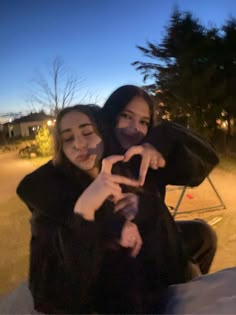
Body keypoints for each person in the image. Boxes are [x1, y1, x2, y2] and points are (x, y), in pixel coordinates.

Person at [17, 105, 192, 314]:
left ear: (103, 132)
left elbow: (198, 165)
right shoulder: (51, 192)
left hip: (145, 286)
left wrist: (159, 142)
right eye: (68, 139)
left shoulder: (120, 167)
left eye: (87, 132)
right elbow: (66, 290)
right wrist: (86, 210)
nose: (79, 144)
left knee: (200, 235)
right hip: (86, 298)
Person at [101, 84, 219, 275]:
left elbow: (207, 159)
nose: (134, 128)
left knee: (203, 234)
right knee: (188, 272)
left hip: (159, 241)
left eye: (144, 122)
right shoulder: (97, 155)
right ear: (111, 114)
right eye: (126, 116)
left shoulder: (150, 157)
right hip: (121, 254)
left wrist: (163, 138)